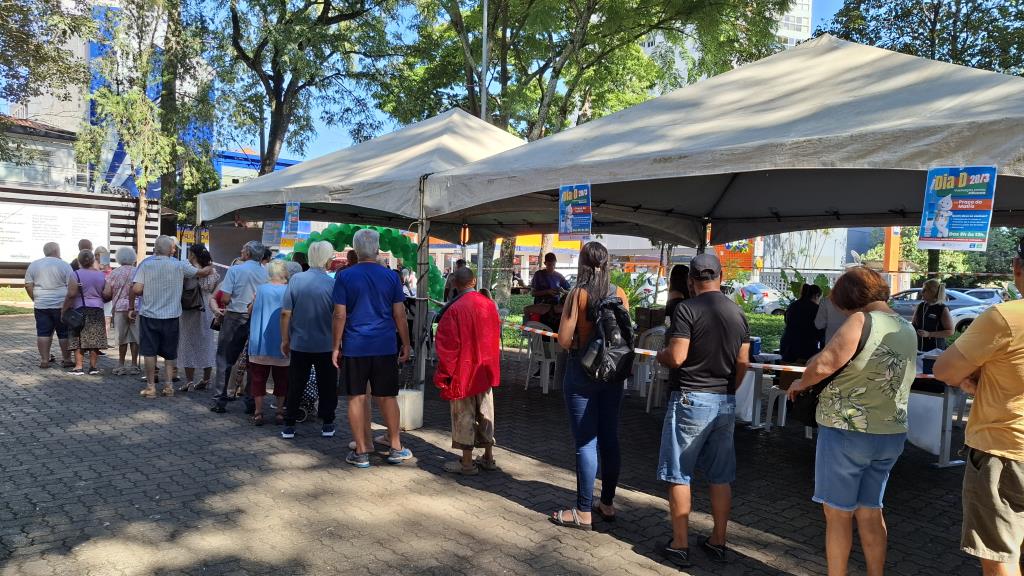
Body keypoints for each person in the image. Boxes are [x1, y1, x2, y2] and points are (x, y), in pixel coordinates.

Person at [787, 266, 916, 576]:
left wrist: (800, 382)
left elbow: (825, 364)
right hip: (890, 431)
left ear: (850, 296)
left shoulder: (861, 321)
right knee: (871, 511)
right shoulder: (906, 327)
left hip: (847, 429)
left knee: (838, 514)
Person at [934, 237, 1024, 576]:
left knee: (1001, 557)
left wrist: (974, 377)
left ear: (1016, 269)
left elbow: (945, 370)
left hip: (1005, 451)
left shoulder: (1005, 317)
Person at [656, 253, 750, 567]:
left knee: (679, 473)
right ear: (721, 277)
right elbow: (743, 361)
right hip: (723, 400)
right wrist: (730, 390)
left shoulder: (686, 309)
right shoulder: (738, 312)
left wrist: (661, 355)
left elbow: (677, 356)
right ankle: (718, 541)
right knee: (720, 477)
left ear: (691, 281)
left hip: (690, 398)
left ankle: (680, 544)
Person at [548, 242, 629, 531]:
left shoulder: (578, 294)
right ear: (607, 263)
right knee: (610, 438)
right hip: (613, 374)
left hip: (582, 372)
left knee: (585, 442)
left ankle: (583, 511)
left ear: (582, 263)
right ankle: (607, 503)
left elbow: (563, 339)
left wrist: (581, 344)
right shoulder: (619, 293)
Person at [332, 229, 412, 468]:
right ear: (377, 249)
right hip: (385, 345)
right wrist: (406, 343)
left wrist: (335, 346)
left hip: (355, 346)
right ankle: (395, 446)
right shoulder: (391, 277)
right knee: (387, 396)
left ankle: (361, 451)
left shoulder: (344, 276)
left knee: (356, 397)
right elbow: (400, 314)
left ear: (355, 250)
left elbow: (339, 314)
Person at [434, 267, 501, 475]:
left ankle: (467, 463)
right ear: (474, 281)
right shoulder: (489, 305)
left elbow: (447, 346)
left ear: (455, 283)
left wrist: (444, 374)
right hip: (485, 368)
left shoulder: (454, 309)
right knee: (486, 412)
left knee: (464, 414)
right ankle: (488, 456)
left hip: (463, 370)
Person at [280, 241, 338, 437]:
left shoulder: (296, 280)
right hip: (326, 344)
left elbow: (285, 313)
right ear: (326, 258)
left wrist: (285, 339)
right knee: (327, 385)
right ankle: (327, 422)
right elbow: (338, 315)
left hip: (300, 342)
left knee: (295, 383)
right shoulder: (332, 283)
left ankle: (289, 423)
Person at [130, 235, 200, 398]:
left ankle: (151, 387)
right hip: (172, 315)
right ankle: (169, 386)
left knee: (149, 352)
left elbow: (137, 289)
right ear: (170, 250)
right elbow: (198, 273)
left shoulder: (146, 264)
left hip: (149, 315)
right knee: (170, 352)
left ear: (156, 248)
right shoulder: (179, 265)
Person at [211, 241, 269, 413]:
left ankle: (220, 400)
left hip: (235, 316)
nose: (241, 251)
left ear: (248, 253)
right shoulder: (266, 272)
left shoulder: (235, 270)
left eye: (243, 249)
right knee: (253, 361)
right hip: (257, 317)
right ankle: (251, 402)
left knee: (225, 358)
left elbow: (225, 298)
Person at [246, 260, 290, 426]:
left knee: (258, 379)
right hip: (282, 341)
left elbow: (249, 311)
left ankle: (258, 412)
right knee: (282, 380)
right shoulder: (288, 290)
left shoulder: (261, 289)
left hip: (260, 342)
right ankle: (279, 412)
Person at [177, 244, 220, 391]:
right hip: (207, 307)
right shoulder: (212, 270)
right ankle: (206, 379)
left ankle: (189, 381)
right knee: (206, 343)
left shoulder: (189, 269)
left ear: (193, 255)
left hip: (190, 307)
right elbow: (212, 288)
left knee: (187, 343)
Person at [25, 243, 74, 369]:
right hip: (61, 304)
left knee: (43, 333)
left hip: (41, 305)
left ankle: (44, 360)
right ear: (57, 251)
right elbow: (71, 286)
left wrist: (35, 298)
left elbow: (28, 285)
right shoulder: (64, 265)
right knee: (63, 333)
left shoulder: (34, 264)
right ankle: (67, 359)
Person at [63, 250, 109, 375]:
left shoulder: (75, 274)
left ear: (79, 261)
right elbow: (107, 293)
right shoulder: (101, 275)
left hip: (80, 309)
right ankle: (93, 367)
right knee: (94, 338)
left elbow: (71, 294)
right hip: (97, 309)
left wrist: (64, 309)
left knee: (78, 337)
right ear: (93, 260)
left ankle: (79, 367)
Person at [103, 247, 140, 375]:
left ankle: (121, 364)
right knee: (135, 337)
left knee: (121, 337)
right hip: (135, 307)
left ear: (118, 258)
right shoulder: (138, 271)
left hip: (119, 308)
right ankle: (134, 365)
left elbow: (107, 292)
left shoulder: (114, 273)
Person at [780, 284, 824, 363]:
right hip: (806, 351)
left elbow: (788, 323)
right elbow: (821, 333)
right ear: (816, 296)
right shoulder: (816, 310)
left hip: (786, 348)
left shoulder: (792, 306)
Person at [912, 279, 953, 352]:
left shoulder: (942, 308)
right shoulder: (920, 306)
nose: (922, 292)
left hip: (935, 350)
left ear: (932, 292)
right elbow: (913, 325)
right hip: (918, 348)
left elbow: (950, 331)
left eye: (924, 290)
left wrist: (929, 334)